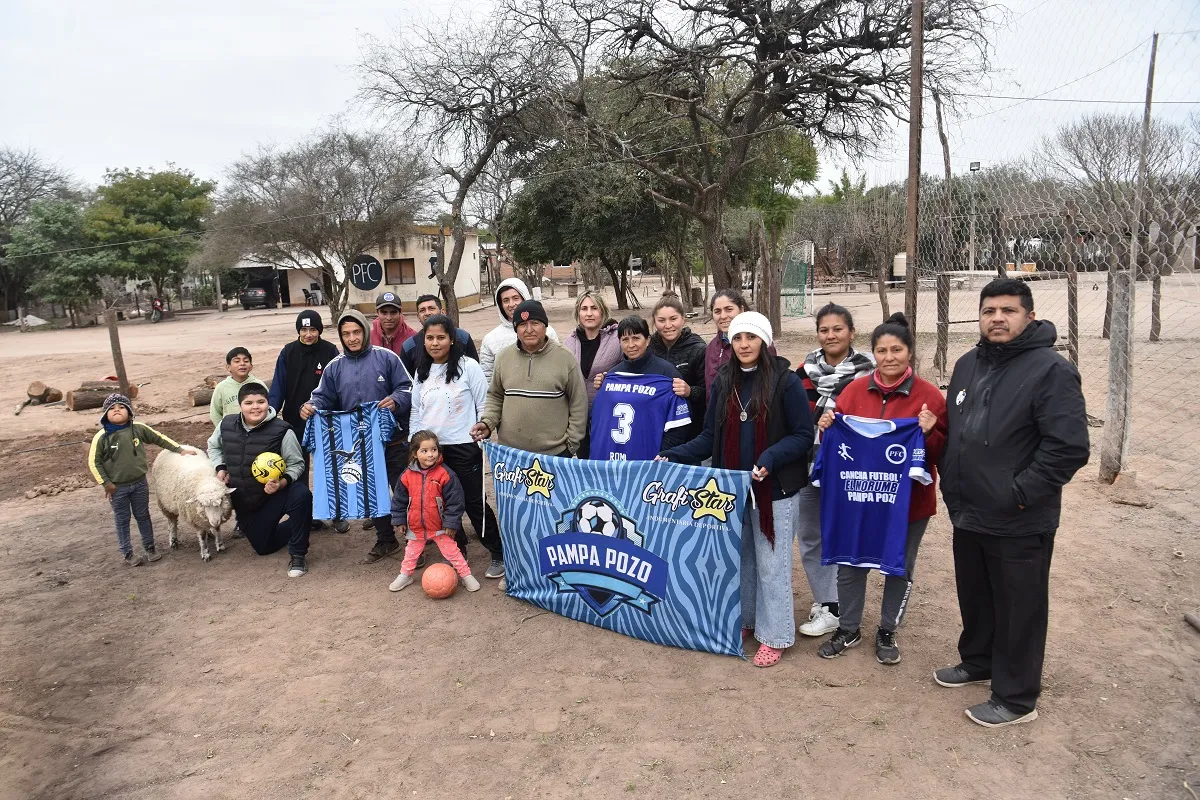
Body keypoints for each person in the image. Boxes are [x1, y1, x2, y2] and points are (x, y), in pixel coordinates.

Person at [935, 278, 1090, 728]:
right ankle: (978, 660)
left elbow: (1068, 447)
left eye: (1008, 310)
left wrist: (1019, 493)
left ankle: (1017, 697)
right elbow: (959, 431)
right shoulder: (966, 365)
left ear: (1030, 317)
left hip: (1020, 517)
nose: (997, 318)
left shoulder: (1050, 370)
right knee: (976, 593)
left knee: (1020, 605)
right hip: (968, 509)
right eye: (989, 311)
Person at [659, 312, 814, 668]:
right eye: (738, 338)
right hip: (732, 486)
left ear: (764, 341)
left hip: (772, 488)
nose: (744, 345)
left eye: (751, 338)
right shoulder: (726, 379)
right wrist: (669, 455)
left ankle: (775, 635)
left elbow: (803, 435)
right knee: (742, 557)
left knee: (772, 563)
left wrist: (770, 457)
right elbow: (710, 438)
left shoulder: (785, 381)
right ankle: (746, 619)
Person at [813, 313, 947, 665]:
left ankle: (888, 630)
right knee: (849, 563)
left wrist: (931, 433)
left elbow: (943, 454)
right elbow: (838, 445)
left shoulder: (929, 396)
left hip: (908, 504)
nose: (889, 357)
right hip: (856, 500)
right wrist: (828, 426)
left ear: (910, 352)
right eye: (882, 350)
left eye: (897, 350)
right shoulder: (853, 392)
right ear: (872, 353)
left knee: (899, 566)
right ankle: (849, 627)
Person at [302, 309, 413, 561]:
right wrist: (311, 407)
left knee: (403, 491)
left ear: (365, 330)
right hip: (358, 445)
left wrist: (396, 400)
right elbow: (321, 397)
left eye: (356, 332)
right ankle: (386, 539)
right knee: (370, 491)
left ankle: (415, 542)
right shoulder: (334, 367)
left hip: (393, 441)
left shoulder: (387, 358)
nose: (352, 338)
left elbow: (407, 388)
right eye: (346, 334)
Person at [795, 303, 876, 637]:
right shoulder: (803, 372)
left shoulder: (870, 372)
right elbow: (796, 420)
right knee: (810, 535)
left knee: (843, 535)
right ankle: (826, 603)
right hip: (806, 464)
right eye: (824, 330)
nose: (831, 335)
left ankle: (846, 604)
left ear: (852, 332)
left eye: (838, 329)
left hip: (848, 469)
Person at [409, 313, 505, 579]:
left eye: (441, 337)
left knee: (474, 502)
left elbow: (484, 403)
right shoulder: (421, 371)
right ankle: (457, 550)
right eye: (430, 338)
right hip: (432, 450)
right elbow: (416, 411)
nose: (435, 343)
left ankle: (497, 552)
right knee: (444, 505)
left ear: (452, 340)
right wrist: (414, 445)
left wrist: (483, 429)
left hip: (464, 446)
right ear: (423, 341)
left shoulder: (469, 367)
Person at [207, 383, 313, 578]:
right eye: (249, 403)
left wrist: (281, 483)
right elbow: (213, 447)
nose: (255, 407)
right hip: (246, 501)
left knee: (301, 495)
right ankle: (305, 522)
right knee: (264, 547)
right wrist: (220, 467)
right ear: (240, 405)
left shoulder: (282, 431)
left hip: (274, 495)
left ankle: (298, 554)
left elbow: (297, 464)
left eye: (260, 402)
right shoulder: (226, 425)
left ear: (268, 403)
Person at [89, 393, 198, 566]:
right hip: (117, 488)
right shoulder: (102, 437)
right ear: (105, 415)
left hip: (140, 483)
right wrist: (106, 484)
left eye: (122, 407)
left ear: (130, 412)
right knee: (122, 519)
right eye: (112, 408)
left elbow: (158, 438)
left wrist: (179, 450)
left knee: (143, 516)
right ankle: (127, 553)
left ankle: (150, 547)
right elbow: (94, 462)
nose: (117, 410)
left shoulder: (138, 428)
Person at [471, 299, 587, 458]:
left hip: (554, 455)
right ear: (516, 328)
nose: (529, 329)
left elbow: (578, 404)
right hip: (511, 455)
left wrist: (571, 445)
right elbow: (495, 396)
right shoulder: (504, 358)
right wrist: (487, 422)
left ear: (545, 326)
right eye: (522, 324)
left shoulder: (565, 359)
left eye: (535, 323)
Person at [386, 430, 482, 593]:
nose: (430, 455)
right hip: (416, 527)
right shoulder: (407, 475)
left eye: (434, 450)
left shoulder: (446, 474)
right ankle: (405, 575)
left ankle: (466, 575)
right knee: (410, 554)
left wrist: (451, 524)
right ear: (415, 453)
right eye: (424, 451)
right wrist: (400, 520)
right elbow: (399, 500)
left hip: (439, 527)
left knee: (453, 553)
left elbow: (455, 502)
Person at [589, 316, 692, 457]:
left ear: (648, 340)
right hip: (615, 460)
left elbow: (679, 424)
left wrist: (663, 454)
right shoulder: (613, 375)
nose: (631, 345)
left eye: (636, 338)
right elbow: (600, 422)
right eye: (625, 340)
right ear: (619, 342)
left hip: (651, 462)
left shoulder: (667, 373)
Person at [563, 291, 621, 458]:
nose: (589, 313)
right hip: (579, 418)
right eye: (584, 309)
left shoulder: (618, 338)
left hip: (609, 417)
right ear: (578, 313)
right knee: (585, 465)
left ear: (602, 311)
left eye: (594, 308)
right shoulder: (569, 343)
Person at [649, 295, 707, 441]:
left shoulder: (698, 349)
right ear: (655, 322)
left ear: (683, 319)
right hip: (653, 426)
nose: (668, 325)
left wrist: (690, 391)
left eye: (673, 319)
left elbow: (708, 392)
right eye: (661, 320)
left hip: (689, 431)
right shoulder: (647, 347)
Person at [479, 278, 559, 382]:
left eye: (515, 298)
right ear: (500, 305)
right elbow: (487, 379)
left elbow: (558, 367)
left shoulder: (547, 331)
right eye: (506, 300)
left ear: (524, 298)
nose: (511, 304)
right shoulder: (490, 339)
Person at [703, 290, 775, 388]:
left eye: (729, 309)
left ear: (741, 310)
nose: (723, 316)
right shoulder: (711, 347)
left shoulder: (761, 343)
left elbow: (769, 384)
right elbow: (710, 388)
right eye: (717, 311)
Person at [399, 294, 479, 375]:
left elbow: (475, 372)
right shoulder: (409, 346)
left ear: (442, 312)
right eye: (422, 310)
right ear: (418, 317)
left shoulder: (462, 337)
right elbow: (406, 381)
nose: (427, 313)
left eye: (431, 308)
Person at [210, 347, 267, 427]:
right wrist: (223, 431)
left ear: (251, 366)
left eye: (246, 361)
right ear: (228, 367)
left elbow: (268, 407)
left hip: (257, 429)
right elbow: (215, 413)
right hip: (231, 432)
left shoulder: (259, 384)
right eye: (237, 361)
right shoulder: (222, 387)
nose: (242, 363)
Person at [370, 291, 418, 357]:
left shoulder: (413, 337)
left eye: (393, 313)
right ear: (377, 313)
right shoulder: (368, 338)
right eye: (384, 313)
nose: (389, 318)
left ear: (400, 312)